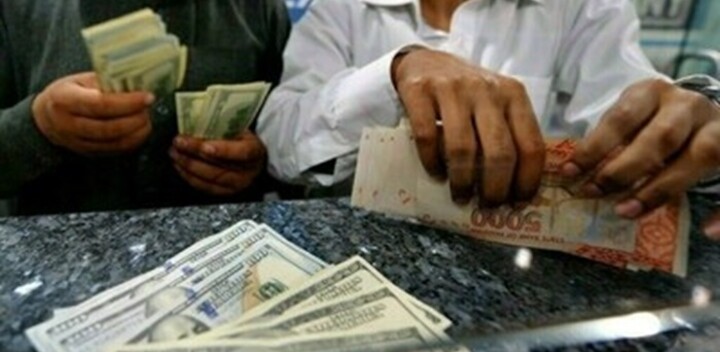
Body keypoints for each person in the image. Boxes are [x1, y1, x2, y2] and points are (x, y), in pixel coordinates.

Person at [257, 0, 720, 240]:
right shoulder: (342, 9)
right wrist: (393, 73)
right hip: (367, 252)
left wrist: (682, 129)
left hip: (525, 277)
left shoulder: (582, 8)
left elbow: (630, 110)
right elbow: (279, 141)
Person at [0, 0, 290, 214]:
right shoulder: (16, 10)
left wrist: (257, 165)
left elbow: (292, 158)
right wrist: (37, 126)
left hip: (222, 257)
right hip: (60, 265)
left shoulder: (261, 9)